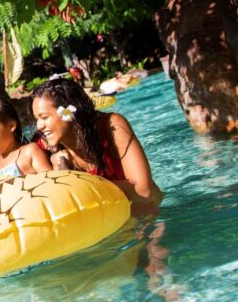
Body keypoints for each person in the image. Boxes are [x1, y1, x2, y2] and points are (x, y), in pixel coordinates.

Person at [29, 78, 163, 207]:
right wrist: (60, 173)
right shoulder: (42, 149)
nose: (39, 126)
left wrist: (77, 181)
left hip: (147, 210)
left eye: (44, 117)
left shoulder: (111, 126)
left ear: (68, 112)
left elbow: (144, 191)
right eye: (37, 119)